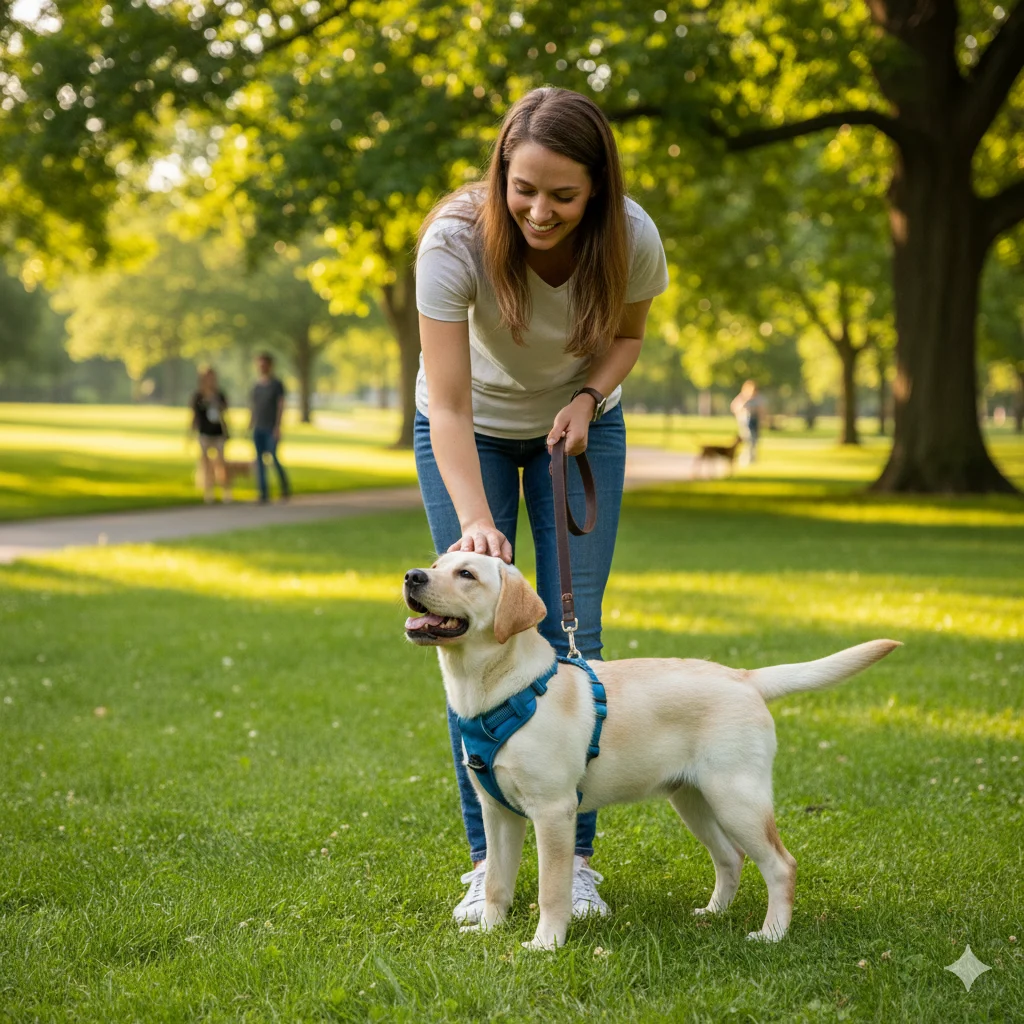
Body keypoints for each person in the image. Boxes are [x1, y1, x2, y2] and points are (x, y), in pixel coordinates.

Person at [414, 87, 669, 925]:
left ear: (597, 186)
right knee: (473, 635)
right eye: (524, 189)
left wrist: (591, 396)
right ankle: (488, 863)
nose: (540, 210)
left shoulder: (630, 235)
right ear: (501, 172)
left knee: (572, 634)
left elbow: (627, 335)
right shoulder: (454, 241)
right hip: (469, 427)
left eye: (564, 194)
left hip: (578, 424)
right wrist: (475, 521)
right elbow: (447, 407)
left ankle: (577, 859)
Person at [250, 352, 290, 504]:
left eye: (264, 364)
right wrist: (251, 423)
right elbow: (254, 407)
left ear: (270, 365)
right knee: (259, 461)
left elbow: (280, 406)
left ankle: (284, 487)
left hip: (271, 427)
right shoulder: (256, 386)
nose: (261, 367)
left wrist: (278, 426)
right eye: (259, 364)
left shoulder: (276, 385)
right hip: (258, 427)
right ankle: (263, 493)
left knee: (273, 457)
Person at [190, 367, 232, 504]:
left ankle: (226, 490)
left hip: (218, 433)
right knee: (205, 464)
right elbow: (194, 416)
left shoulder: (219, 395)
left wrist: (228, 431)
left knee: (221, 463)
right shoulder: (198, 396)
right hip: (204, 433)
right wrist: (190, 433)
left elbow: (225, 413)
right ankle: (209, 492)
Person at [731, 380, 765, 464]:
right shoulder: (742, 398)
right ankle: (745, 457)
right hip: (745, 420)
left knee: (754, 439)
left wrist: (762, 419)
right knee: (747, 439)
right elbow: (734, 407)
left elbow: (761, 410)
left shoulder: (758, 398)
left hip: (755, 420)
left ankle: (752, 457)